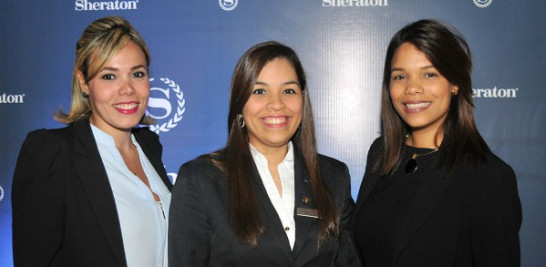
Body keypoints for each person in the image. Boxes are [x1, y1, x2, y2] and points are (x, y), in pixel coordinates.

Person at [169, 41, 360, 266]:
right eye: (260, 91)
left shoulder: (333, 176)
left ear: (302, 99)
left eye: (288, 90)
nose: (276, 104)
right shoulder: (200, 180)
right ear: (240, 104)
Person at [352, 19, 522, 266]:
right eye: (400, 76)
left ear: (455, 83)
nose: (412, 88)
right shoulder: (381, 153)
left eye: (429, 74)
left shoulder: (488, 178)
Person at [12, 16, 172, 267]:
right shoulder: (52, 152)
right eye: (109, 76)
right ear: (84, 83)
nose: (127, 89)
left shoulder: (150, 147)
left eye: (137, 74)